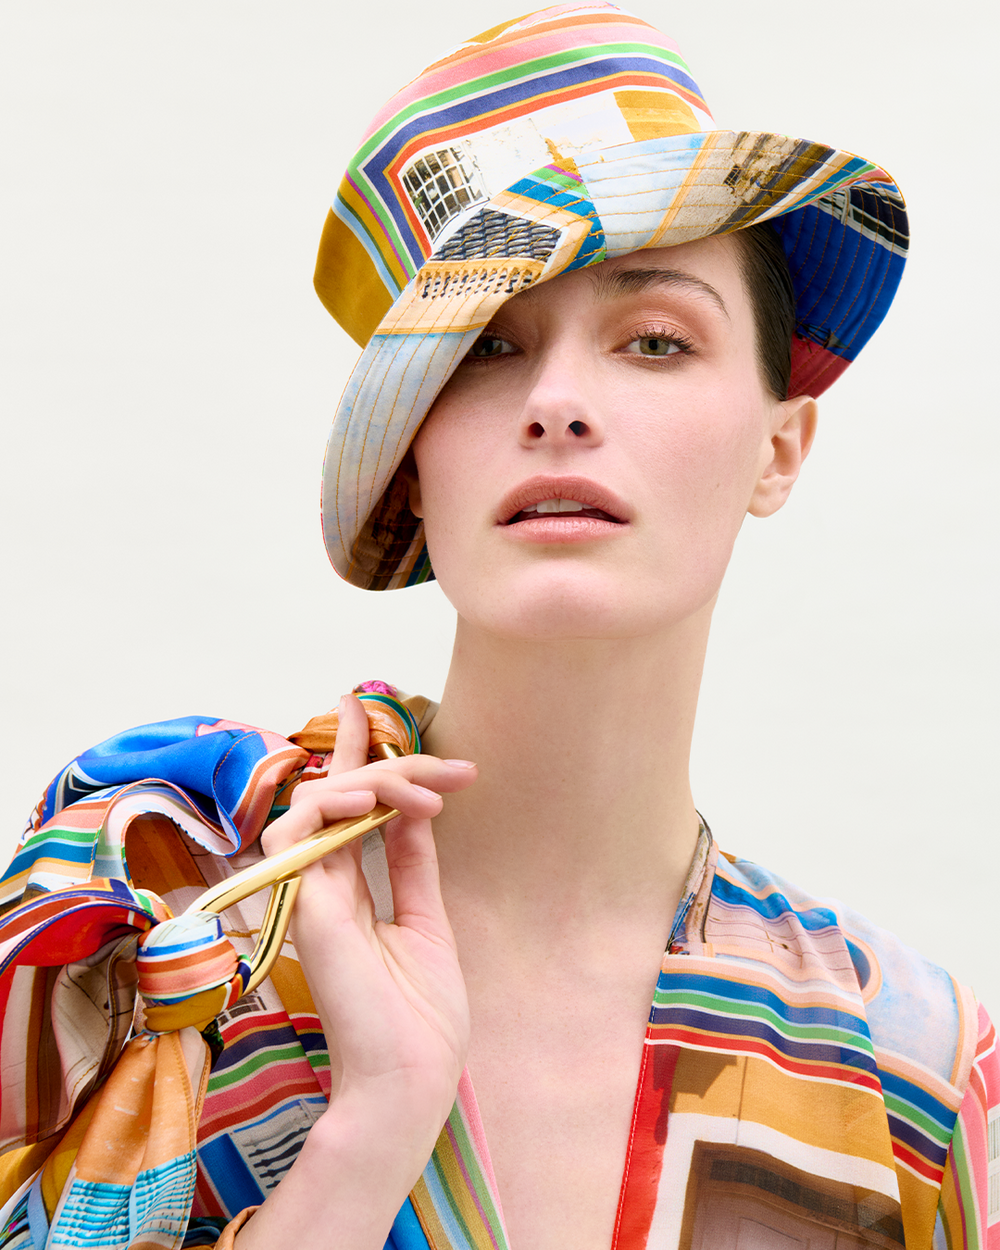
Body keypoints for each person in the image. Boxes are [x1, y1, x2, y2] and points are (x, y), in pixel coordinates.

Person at [0, 6, 995, 1250]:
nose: (561, 403)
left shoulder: (906, 1069)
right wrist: (370, 1129)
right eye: (484, 348)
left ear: (779, 446)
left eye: (652, 338)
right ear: (412, 462)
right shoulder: (158, 911)